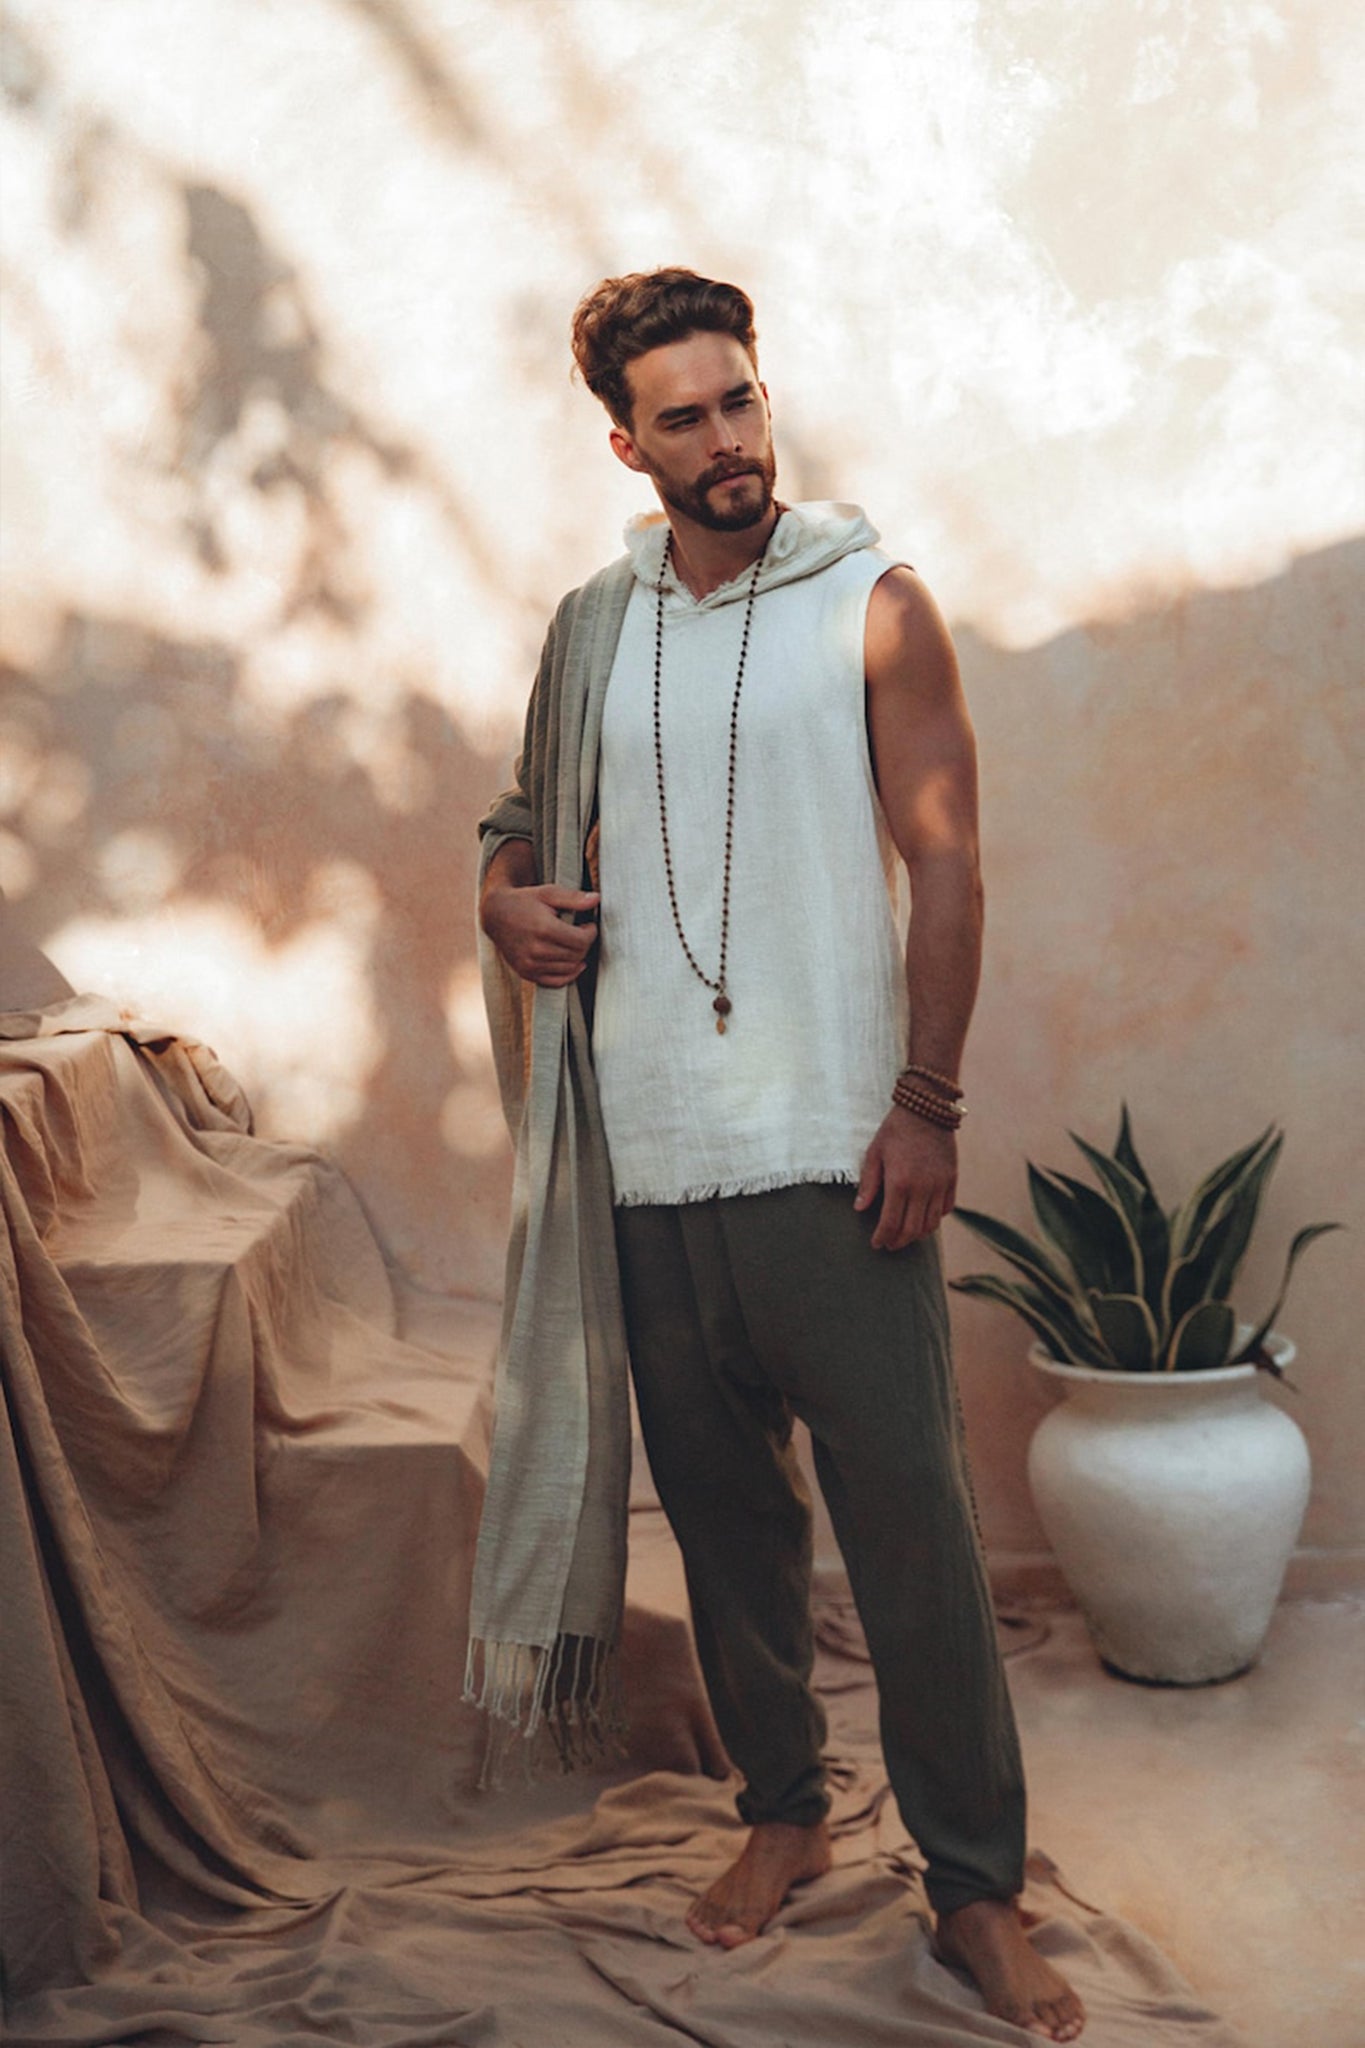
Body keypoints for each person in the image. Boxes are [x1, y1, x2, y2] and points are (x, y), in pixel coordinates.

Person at [475, 268, 1085, 2042]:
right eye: (685, 417)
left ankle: (974, 1887)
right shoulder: (594, 627)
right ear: (626, 442)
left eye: (740, 401)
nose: (728, 440)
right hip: (649, 1159)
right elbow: (518, 829)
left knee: (911, 1534)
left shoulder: (869, 602)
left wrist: (927, 1104)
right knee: (731, 1524)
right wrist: (505, 908)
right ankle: (783, 1817)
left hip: (834, 1146)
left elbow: (949, 862)